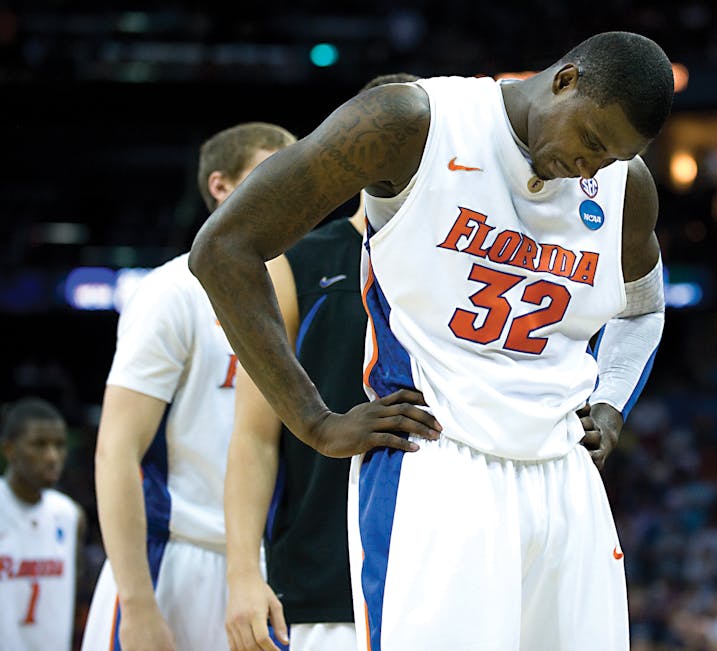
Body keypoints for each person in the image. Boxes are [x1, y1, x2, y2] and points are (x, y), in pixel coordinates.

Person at [190, 31, 672, 650]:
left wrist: (611, 400)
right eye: (590, 143)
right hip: (440, 463)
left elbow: (643, 308)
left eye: (609, 159)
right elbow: (224, 248)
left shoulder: (625, 186)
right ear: (565, 80)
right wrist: (313, 422)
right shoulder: (413, 121)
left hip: (565, 477)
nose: (590, 169)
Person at [80, 122, 297, 651]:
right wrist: (137, 605)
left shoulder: (302, 290)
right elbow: (115, 453)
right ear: (220, 187)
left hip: (264, 567)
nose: (295, 187)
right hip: (172, 559)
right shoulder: (172, 293)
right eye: (274, 172)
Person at [223, 72, 420, 651]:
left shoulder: (474, 271)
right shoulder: (295, 262)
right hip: (318, 586)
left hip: (437, 572)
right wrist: (242, 576)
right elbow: (253, 438)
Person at [0, 397, 85, 651]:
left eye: (60, 445)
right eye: (39, 445)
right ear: (9, 450)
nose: (52, 457)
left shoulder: (71, 515)